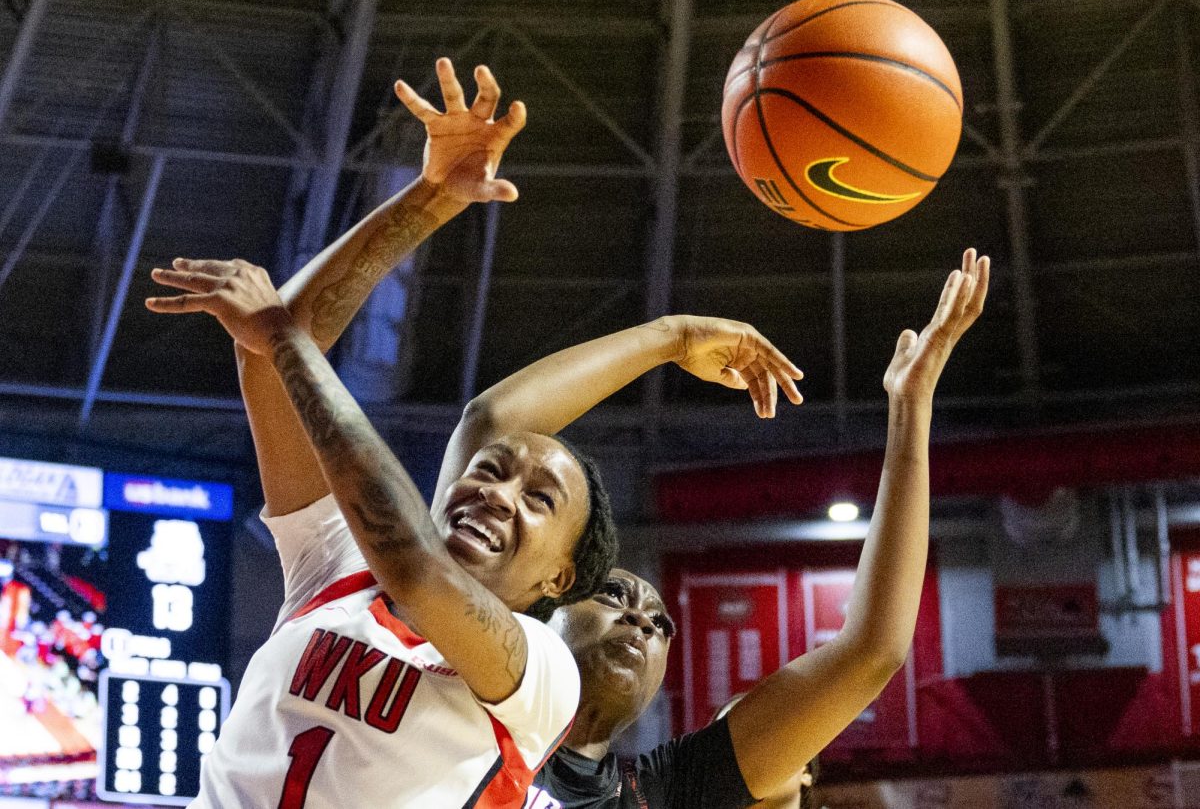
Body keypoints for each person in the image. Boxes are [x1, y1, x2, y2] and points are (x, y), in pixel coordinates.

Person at [145, 59, 625, 808]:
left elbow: (416, 568)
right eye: (491, 470)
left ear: (558, 580)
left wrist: (279, 335)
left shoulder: (541, 669)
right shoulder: (336, 565)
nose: (498, 493)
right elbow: (272, 365)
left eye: (539, 498)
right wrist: (430, 199)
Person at [526, 250, 989, 808]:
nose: (640, 621)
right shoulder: (472, 700)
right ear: (545, 600)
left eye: (661, 624)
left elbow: (872, 649)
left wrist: (910, 408)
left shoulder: (665, 790)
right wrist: (673, 336)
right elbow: (491, 428)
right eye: (612, 593)